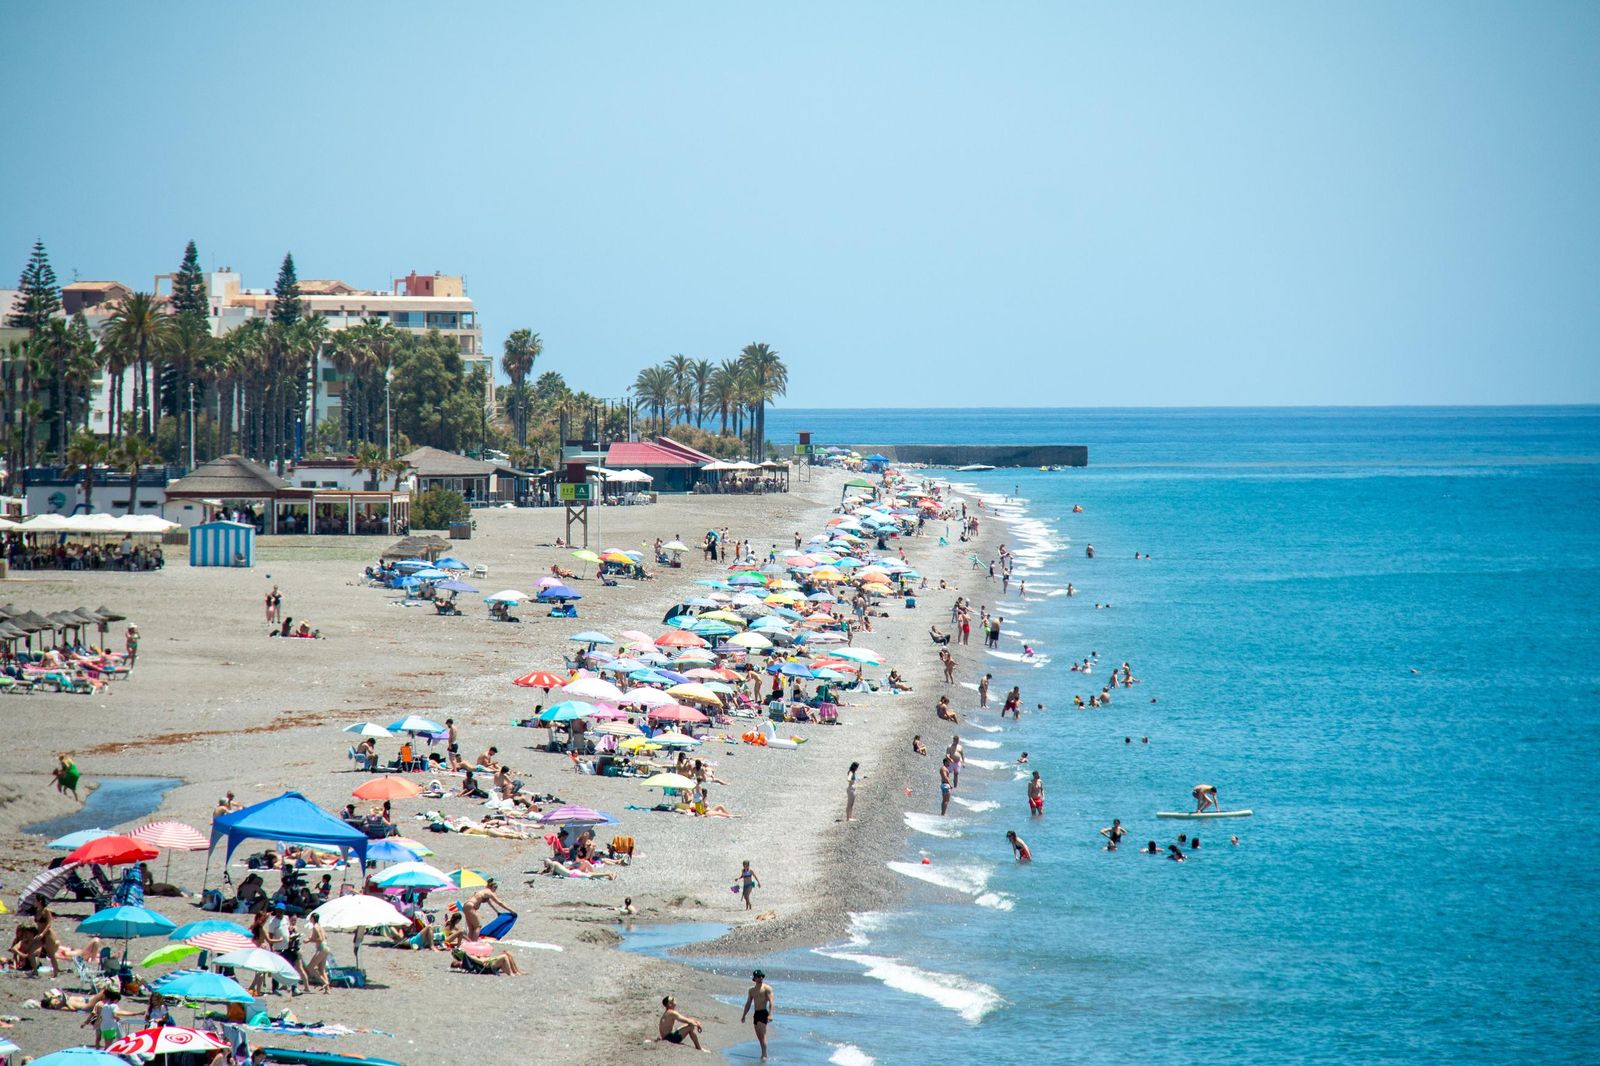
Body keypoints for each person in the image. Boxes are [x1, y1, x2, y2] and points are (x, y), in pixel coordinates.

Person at [741, 970, 775, 1061]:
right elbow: (748, 1003)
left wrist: (770, 1014)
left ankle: (764, 1055)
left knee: (763, 1035)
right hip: (756, 1014)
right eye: (758, 977)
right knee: (759, 1036)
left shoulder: (767, 988)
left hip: (763, 1013)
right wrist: (744, 1015)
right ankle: (763, 1053)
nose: (760, 979)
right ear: (754, 978)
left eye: (761, 977)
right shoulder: (752, 990)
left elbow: (771, 1002)